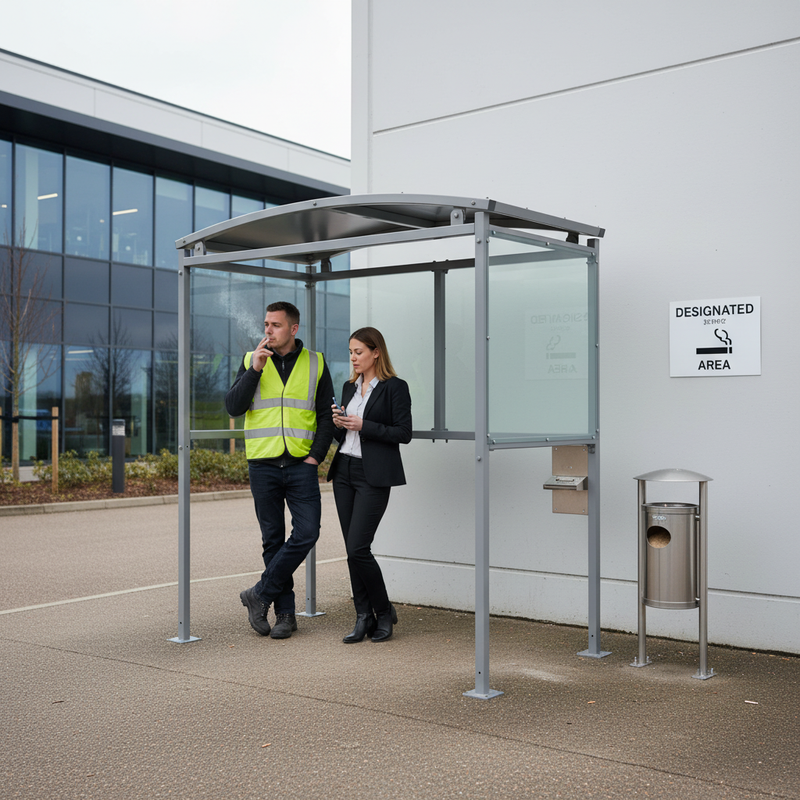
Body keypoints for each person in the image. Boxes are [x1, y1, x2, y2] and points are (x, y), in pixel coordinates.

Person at [226, 301, 334, 640]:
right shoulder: (251, 359)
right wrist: (255, 369)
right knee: (272, 539)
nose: (267, 330)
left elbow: (326, 415)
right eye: (266, 324)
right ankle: (285, 615)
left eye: (275, 325)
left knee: (307, 533)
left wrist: (315, 457)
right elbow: (233, 407)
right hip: (263, 464)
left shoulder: (315, 362)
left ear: (293, 329)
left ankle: (259, 594)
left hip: (302, 464)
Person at [328, 327, 412, 643]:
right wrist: (339, 424)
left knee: (358, 548)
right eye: (350, 352)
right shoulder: (350, 388)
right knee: (352, 553)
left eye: (358, 352)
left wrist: (366, 425)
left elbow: (403, 432)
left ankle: (383, 611)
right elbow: (346, 435)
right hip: (345, 472)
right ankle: (363, 616)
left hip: (372, 475)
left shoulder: (395, 388)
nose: (353, 357)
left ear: (376, 352)